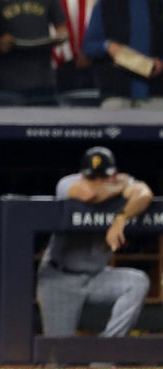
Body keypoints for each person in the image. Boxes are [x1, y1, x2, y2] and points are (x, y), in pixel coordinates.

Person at [37, 146, 152, 340]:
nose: (97, 181)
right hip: (59, 278)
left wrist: (121, 218)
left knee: (137, 282)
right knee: (57, 358)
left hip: (98, 278)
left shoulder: (122, 184)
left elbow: (144, 194)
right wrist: (122, 185)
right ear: (82, 174)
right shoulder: (67, 183)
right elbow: (88, 194)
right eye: (92, 177)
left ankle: (108, 352)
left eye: (102, 176)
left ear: (113, 173)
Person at [82, 0, 163, 109]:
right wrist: (108, 46)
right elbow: (89, 46)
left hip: (155, 94)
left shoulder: (159, 4)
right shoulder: (105, 5)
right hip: (115, 94)